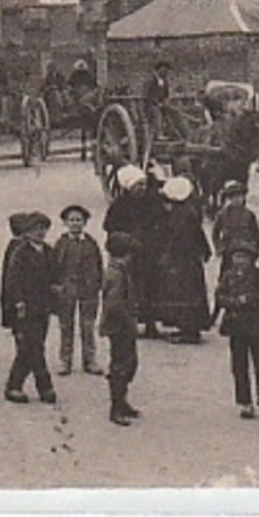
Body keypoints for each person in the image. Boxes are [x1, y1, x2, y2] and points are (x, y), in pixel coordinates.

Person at [212, 243, 259, 421]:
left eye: (244, 257)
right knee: (239, 366)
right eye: (236, 257)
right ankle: (245, 402)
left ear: (252, 259)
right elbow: (219, 297)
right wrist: (233, 302)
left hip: (258, 326)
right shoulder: (228, 276)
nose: (240, 261)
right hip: (237, 327)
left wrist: (249, 300)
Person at [0, 211, 58, 405]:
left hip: (43, 307)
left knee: (32, 346)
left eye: (43, 229)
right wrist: (17, 302)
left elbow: (54, 276)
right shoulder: (21, 252)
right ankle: (44, 387)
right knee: (32, 347)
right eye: (35, 229)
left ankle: (14, 386)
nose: (40, 233)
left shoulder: (48, 251)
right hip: (25, 307)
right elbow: (12, 281)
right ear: (26, 232)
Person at [104, 165, 166, 338]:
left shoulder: (153, 202)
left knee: (152, 287)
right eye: (138, 185)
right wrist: (126, 243)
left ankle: (151, 324)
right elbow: (111, 229)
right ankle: (130, 323)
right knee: (130, 289)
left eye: (144, 185)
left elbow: (162, 222)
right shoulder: (119, 205)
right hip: (129, 253)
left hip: (150, 251)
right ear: (128, 186)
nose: (142, 189)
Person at [52, 204, 105, 376]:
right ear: (66, 223)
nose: (75, 224)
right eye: (72, 220)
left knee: (88, 326)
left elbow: (98, 265)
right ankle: (65, 360)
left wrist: (98, 284)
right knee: (66, 326)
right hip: (67, 289)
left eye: (79, 220)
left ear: (85, 222)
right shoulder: (61, 243)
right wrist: (57, 285)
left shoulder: (91, 243)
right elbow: (54, 266)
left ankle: (90, 360)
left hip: (88, 289)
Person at [157, 176, 212, 343]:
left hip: (184, 261)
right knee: (189, 293)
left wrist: (167, 255)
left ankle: (190, 331)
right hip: (191, 261)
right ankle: (186, 327)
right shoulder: (188, 211)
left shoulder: (180, 215)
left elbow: (177, 239)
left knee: (186, 294)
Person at [99, 231, 143, 426]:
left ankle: (122, 402)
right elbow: (114, 305)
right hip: (119, 327)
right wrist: (128, 323)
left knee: (128, 363)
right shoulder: (116, 274)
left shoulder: (118, 270)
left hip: (120, 325)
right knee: (121, 365)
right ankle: (116, 407)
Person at [211, 180, 259, 277]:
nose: (238, 200)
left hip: (246, 250)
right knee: (226, 275)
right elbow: (215, 233)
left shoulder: (249, 214)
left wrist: (256, 249)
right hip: (229, 250)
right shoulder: (222, 215)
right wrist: (219, 248)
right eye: (234, 197)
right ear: (229, 199)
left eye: (240, 196)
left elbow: (256, 234)